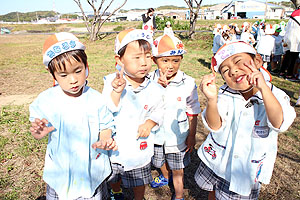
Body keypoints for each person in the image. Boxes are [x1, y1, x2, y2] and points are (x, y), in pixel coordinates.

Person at [195, 41, 296, 199]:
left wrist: (263, 89)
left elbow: (279, 123)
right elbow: (215, 126)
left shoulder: (275, 95)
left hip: (244, 169)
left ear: (257, 61)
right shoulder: (225, 94)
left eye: (238, 61)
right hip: (218, 159)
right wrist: (212, 100)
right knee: (212, 190)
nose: (233, 71)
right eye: (225, 70)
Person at [29, 32, 117, 200]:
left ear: (87, 67)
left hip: (92, 169)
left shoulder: (96, 99)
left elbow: (106, 124)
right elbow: (38, 129)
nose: (73, 80)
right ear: (53, 75)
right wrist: (38, 132)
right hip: (60, 171)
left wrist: (105, 138)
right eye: (64, 75)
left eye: (78, 71)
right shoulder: (46, 100)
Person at [102, 29, 165, 200]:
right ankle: (116, 192)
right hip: (115, 146)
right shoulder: (110, 82)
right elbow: (107, 109)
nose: (143, 63)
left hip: (139, 148)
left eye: (147, 56)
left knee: (139, 179)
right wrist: (116, 91)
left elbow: (159, 110)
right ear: (119, 60)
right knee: (113, 176)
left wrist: (150, 123)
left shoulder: (154, 88)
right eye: (136, 58)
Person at [149, 35, 201, 200]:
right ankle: (165, 176)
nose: (170, 66)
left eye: (175, 61)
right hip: (155, 135)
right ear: (154, 60)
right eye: (165, 61)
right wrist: (157, 87)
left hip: (177, 136)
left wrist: (191, 135)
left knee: (178, 170)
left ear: (181, 59)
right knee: (158, 162)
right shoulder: (148, 80)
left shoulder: (188, 82)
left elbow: (192, 111)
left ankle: (178, 195)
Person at [279, 8, 300, 81]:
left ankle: (282, 72)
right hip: (296, 38)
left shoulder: (293, 14)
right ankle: (289, 75)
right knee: (293, 58)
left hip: (288, 37)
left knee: (287, 56)